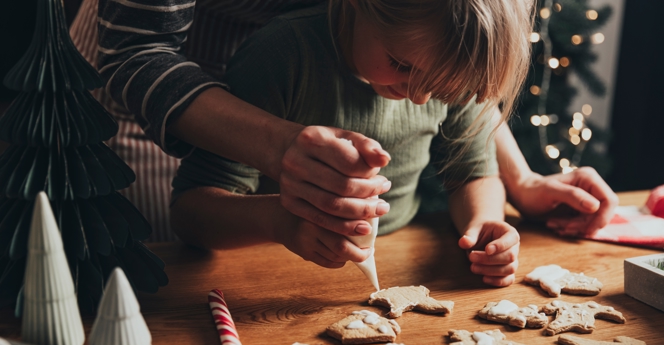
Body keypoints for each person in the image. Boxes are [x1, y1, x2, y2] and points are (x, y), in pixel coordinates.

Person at [74, 0, 617, 247]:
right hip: (149, 86)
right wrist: (279, 160)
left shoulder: (411, 48)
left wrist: (517, 181)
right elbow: (135, 54)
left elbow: (449, 66)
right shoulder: (284, 54)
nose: (418, 98)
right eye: (403, 68)